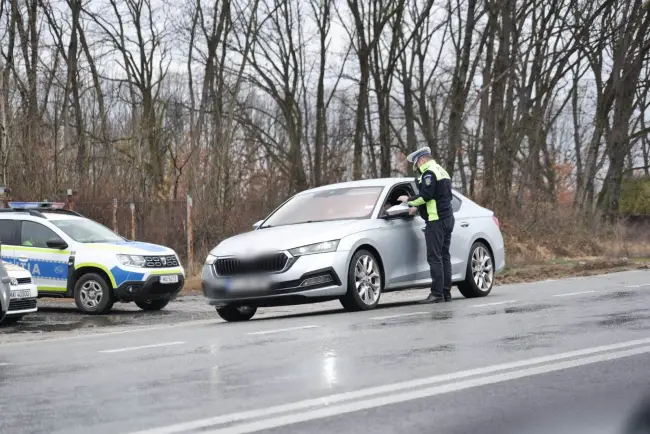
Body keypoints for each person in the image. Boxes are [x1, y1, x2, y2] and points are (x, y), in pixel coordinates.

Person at [398, 147, 454, 304]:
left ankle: (436, 294)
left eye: (415, 164)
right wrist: (418, 208)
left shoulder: (429, 173)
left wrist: (408, 200)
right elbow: (438, 196)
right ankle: (445, 293)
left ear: (422, 160)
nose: (415, 167)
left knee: (434, 257)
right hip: (447, 217)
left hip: (436, 221)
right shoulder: (442, 170)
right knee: (444, 257)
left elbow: (427, 195)